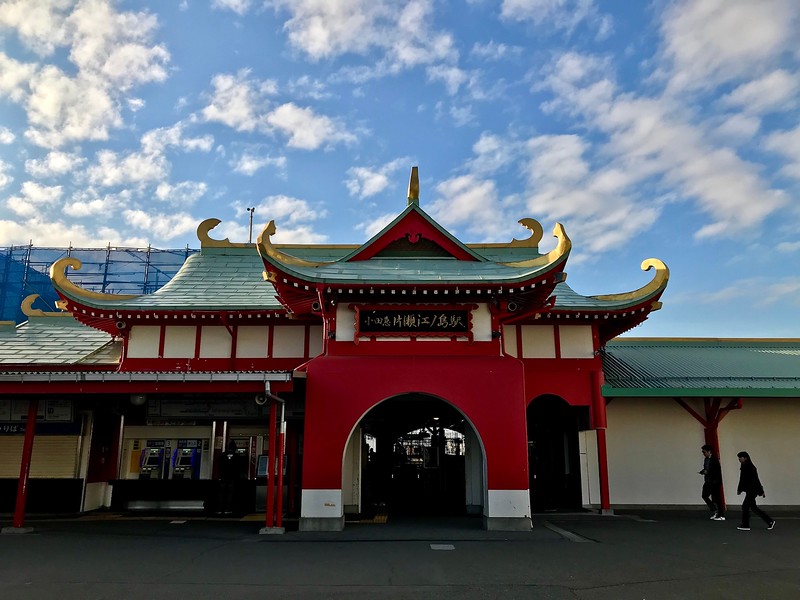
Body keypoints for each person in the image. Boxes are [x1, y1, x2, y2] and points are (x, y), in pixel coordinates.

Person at [736, 451, 775, 531]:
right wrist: (740, 489)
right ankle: (770, 521)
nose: (739, 459)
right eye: (739, 458)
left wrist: (761, 491)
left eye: (740, 457)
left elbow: (755, 480)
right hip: (751, 490)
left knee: (745, 506)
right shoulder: (745, 466)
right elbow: (743, 479)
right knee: (753, 508)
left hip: (752, 490)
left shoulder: (749, 467)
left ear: (745, 458)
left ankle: (745, 525)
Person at [699, 444, 725, 520]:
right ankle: (715, 510)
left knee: (717, 498)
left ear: (709, 451)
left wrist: (708, 472)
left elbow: (716, 471)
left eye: (704, 452)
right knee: (704, 495)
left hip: (715, 481)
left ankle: (721, 515)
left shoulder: (715, 460)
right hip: (708, 480)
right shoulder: (706, 459)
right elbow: (706, 468)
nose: (703, 453)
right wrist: (703, 471)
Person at [217, 440, 243, 515]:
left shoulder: (222, 455)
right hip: (232, 478)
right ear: (235, 448)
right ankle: (227, 509)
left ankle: (219, 509)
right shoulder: (237, 456)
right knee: (230, 494)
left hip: (223, 477)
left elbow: (219, 466)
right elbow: (239, 468)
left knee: (221, 494)